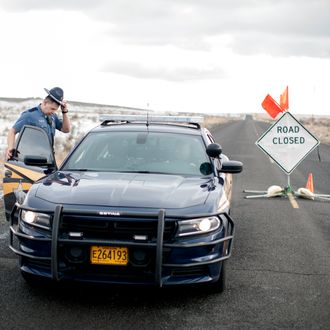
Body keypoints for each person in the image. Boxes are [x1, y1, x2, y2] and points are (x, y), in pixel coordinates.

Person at [5, 87, 71, 160]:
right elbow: (12, 131)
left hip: (48, 159)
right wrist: (10, 148)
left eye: (55, 110)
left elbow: (66, 129)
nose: (53, 112)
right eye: (52, 109)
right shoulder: (30, 115)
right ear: (45, 103)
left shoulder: (53, 116)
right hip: (29, 159)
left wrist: (64, 112)